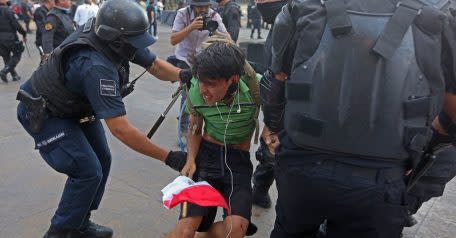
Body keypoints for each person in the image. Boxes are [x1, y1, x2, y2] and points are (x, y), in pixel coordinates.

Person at [261, 0, 456, 237]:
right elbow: (451, 112)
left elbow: (275, 81)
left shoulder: (304, 9)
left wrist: (271, 127)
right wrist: (422, 151)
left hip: (303, 168)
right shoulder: (434, 21)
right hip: (381, 178)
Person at [15, 0, 190, 237]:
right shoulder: (95, 66)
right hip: (44, 112)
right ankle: (61, 231)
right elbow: (121, 129)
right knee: (87, 170)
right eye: (134, 42)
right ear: (115, 38)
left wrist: (184, 75)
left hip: (74, 106)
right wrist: (169, 157)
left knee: (103, 159)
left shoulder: (118, 36)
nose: (137, 47)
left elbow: (155, 65)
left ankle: (80, 222)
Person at [166, 40, 261, 238]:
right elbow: (195, 128)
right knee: (185, 231)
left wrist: (272, 130)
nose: (203, 90)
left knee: (236, 230)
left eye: (211, 84)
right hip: (206, 158)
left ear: (232, 79)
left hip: (238, 163)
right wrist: (191, 159)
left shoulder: (256, 87)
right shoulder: (195, 90)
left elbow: (280, 105)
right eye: (201, 81)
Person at [170, 0, 230, 152]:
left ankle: (205, 128)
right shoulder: (182, 14)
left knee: (206, 94)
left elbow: (229, 40)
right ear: (192, 5)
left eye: (206, 6)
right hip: (184, 59)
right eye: (199, 6)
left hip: (202, 60)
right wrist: (191, 27)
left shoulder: (214, 15)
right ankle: (184, 130)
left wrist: (214, 30)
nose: (203, 9)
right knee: (188, 95)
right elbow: (173, 40)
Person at [250, 0, 288, 209]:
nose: (258, 3)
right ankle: (260, 190)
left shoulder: (297, 19)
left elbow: (277, 75)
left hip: (294, 103)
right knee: (269, 150)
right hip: (280, 100)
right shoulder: (283, 20)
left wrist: (272, 122)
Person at [0, 0, 26, 82]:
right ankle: (5, 70)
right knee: (18, 53)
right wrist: (23, 33)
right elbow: (15, 24)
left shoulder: (7, 9)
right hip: (10, 37)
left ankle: (14, 75)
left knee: (6, 56)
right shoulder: (7, 10)